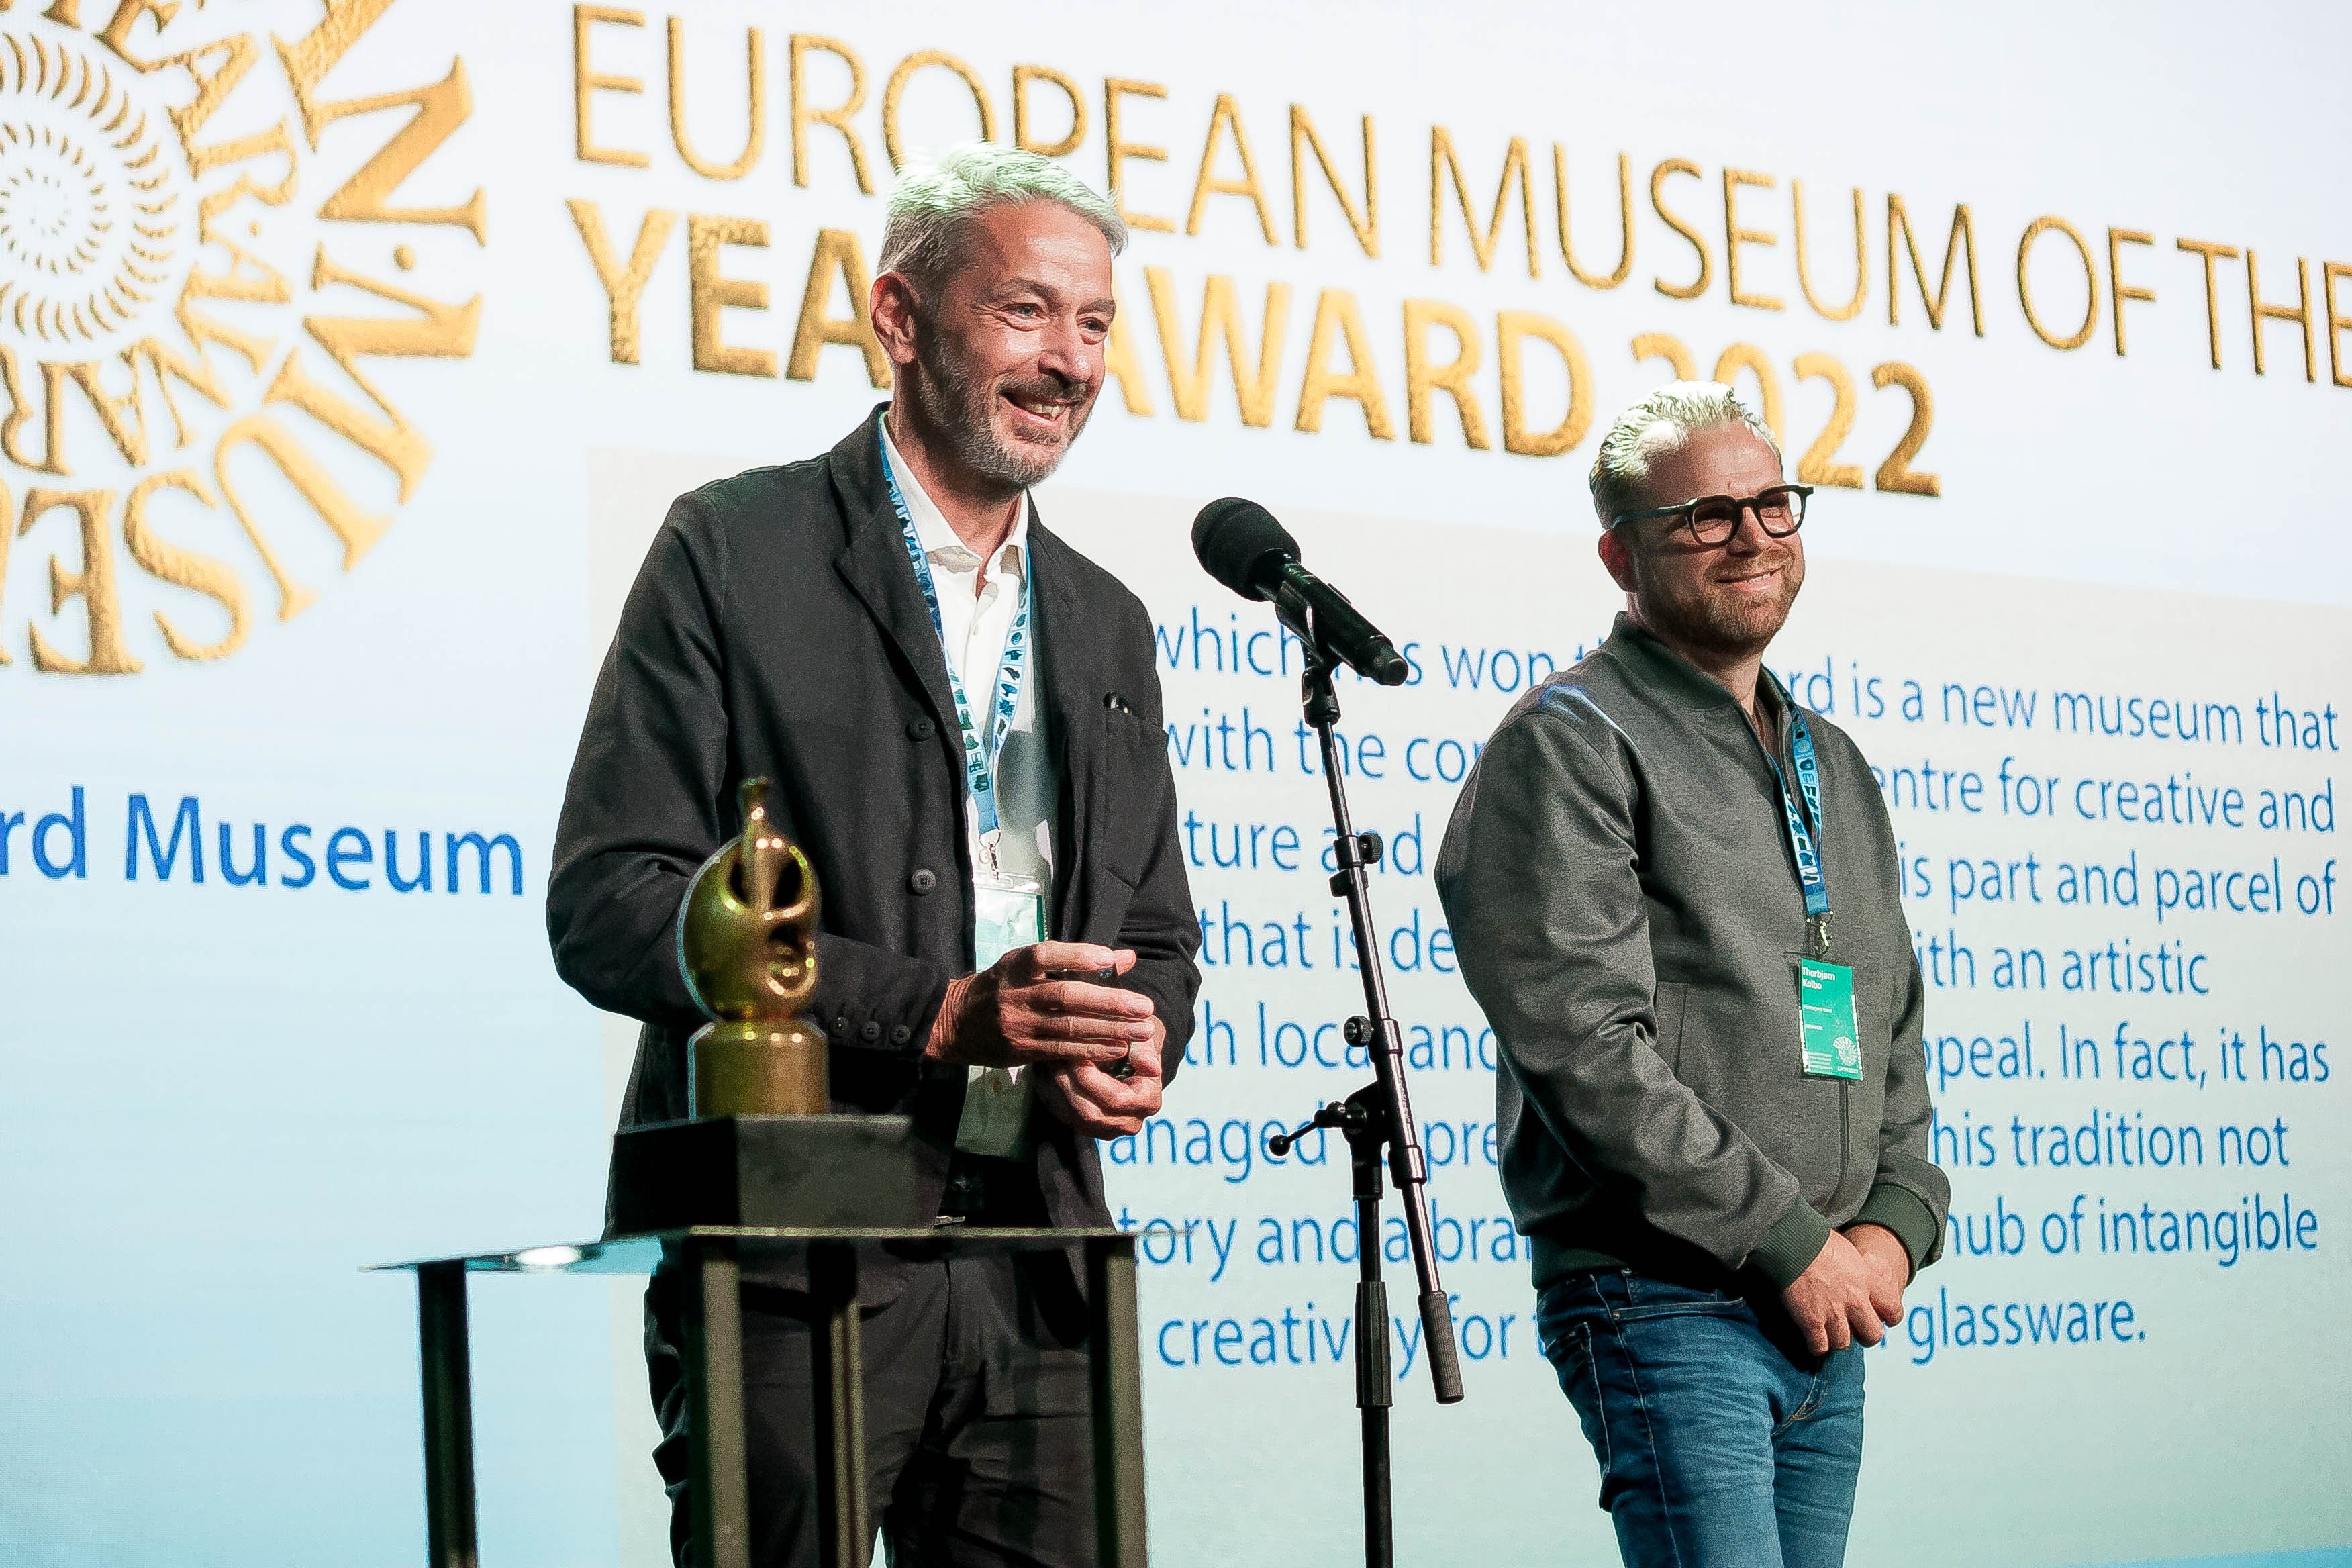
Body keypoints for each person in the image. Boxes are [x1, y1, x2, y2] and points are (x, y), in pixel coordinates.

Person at [547, 144, 1200, 1567]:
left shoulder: (1105, 622)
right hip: (793, 1263)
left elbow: (1155, 930)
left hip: (1042, 1250)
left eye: (1095, 324)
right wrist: (937, 1014)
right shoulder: (735, 548)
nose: (1070, 362)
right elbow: (611, 902)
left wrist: (1140, 1034)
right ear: (899, 316)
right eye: (1028, 312)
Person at [1434, 383, 1949, 1568]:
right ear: (1621, 553)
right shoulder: (1568, 739)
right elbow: (1584, 1048)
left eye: (1774, 505)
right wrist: (1788, 1239)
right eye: (1708, 517)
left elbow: (1891, 1024)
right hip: (1665, 1299)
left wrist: (1896, 1222)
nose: (1754, 536)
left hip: (1827, 1304)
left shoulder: (1837, 760)